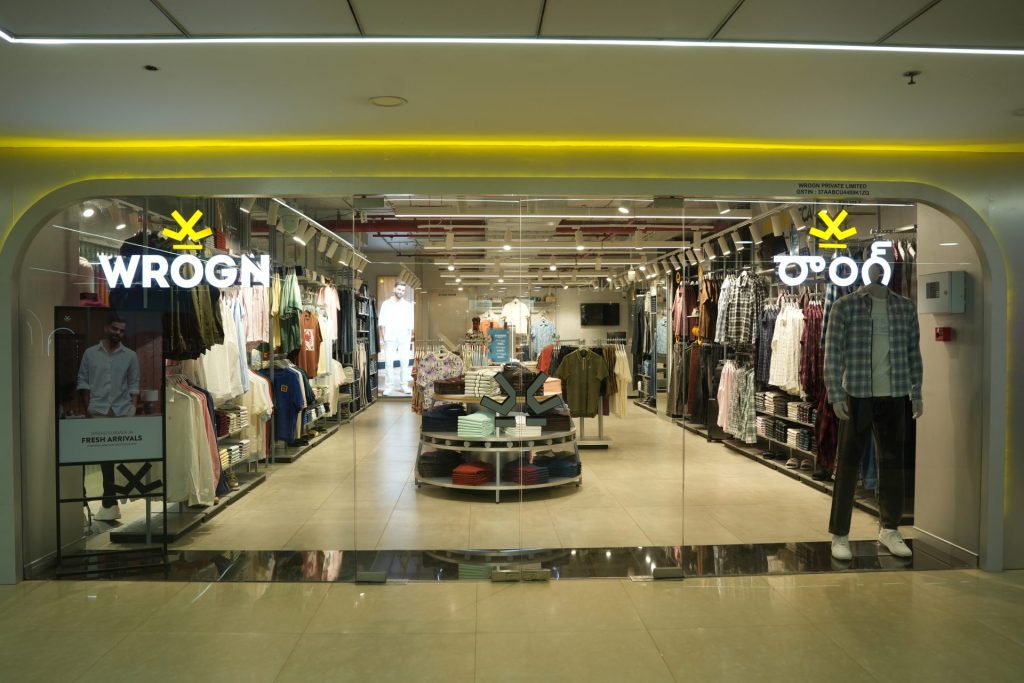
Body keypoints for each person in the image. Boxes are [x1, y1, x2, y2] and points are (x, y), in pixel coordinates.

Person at [823, 268, 923, 562]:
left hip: (894, 394)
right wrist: (835, 393)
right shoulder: (845, 306)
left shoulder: (905, 308)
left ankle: (890, 528)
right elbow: (832, 352)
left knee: (893, 464)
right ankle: (839, 533)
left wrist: (916, 392)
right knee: (848, 465)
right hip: (856, 393)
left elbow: (913, 352)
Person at [76, 313, 141, 522]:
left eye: (121, 330)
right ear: (106, 328)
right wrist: (88, 408)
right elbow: (83, 381)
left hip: (121, 411)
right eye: (115, 329)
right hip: (97, 411)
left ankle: (110, 501)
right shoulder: (90, 353)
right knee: (100, 457)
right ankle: (106, 501)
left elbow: (134, 384)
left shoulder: (130, 355)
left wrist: (133, 408)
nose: (118, 333)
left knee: (114, 457)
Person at [378, 281, 414, 396]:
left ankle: (404, 385)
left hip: (404, 337)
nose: (401, 292)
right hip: (390, 336)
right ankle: (389, 387)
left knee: (405, 362)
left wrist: (409, 336)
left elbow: (410, 322)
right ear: (394, 289)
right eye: (399, 289)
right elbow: (382, 322)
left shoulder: (407, 305)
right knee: (389, 363)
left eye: (403, 290)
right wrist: (384, 336)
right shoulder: (386, 304)